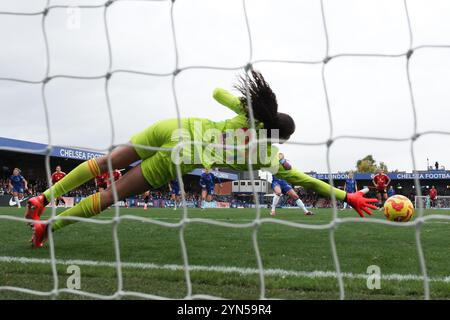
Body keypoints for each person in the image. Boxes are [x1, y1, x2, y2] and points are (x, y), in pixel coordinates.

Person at [25, 70, 377, 248]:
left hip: (171, 126)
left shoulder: (247, 112)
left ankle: (42, 199)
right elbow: (302, 180)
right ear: (281, 137)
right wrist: (347, 196)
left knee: (104, 164)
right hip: (178, 156)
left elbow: (215, 91)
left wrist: (246, 105)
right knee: (108, 196)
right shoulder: (269, 155)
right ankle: (46, 227)